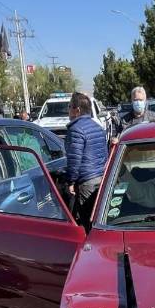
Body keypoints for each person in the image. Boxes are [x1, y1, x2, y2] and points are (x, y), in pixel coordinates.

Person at [64, 91, 108, 226]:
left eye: (69, 106)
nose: (68, 110)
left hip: (86, 182)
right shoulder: (98, 127)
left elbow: (74, 159)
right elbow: (105, 153)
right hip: (101, 178)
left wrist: (71, 182)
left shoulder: (75, 129)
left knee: (87, 221)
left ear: (77, 110)